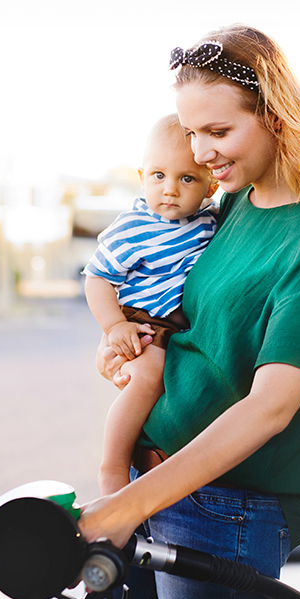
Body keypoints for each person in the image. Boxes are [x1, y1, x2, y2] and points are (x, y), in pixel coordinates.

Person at [76, 25, 300, 599]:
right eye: (190, 132)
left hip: (226, 508)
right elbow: (183, 304)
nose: (200, 152)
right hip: (149, 482)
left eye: (218, 132)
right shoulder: (231, 202)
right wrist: (126, 333)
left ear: (275, 115)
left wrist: (127, 505)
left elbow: (271, 407)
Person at [83, 113, 218, 496]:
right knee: (148, 376)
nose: (170, 189)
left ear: (210, 188)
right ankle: (112, 467)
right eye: (158, 176)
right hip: (142, 322)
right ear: (142, 176)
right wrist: (114, 327)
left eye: (186, 178)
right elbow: (97, 278)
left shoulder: (209, 220)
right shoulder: (133, 227)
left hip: (174, 325)